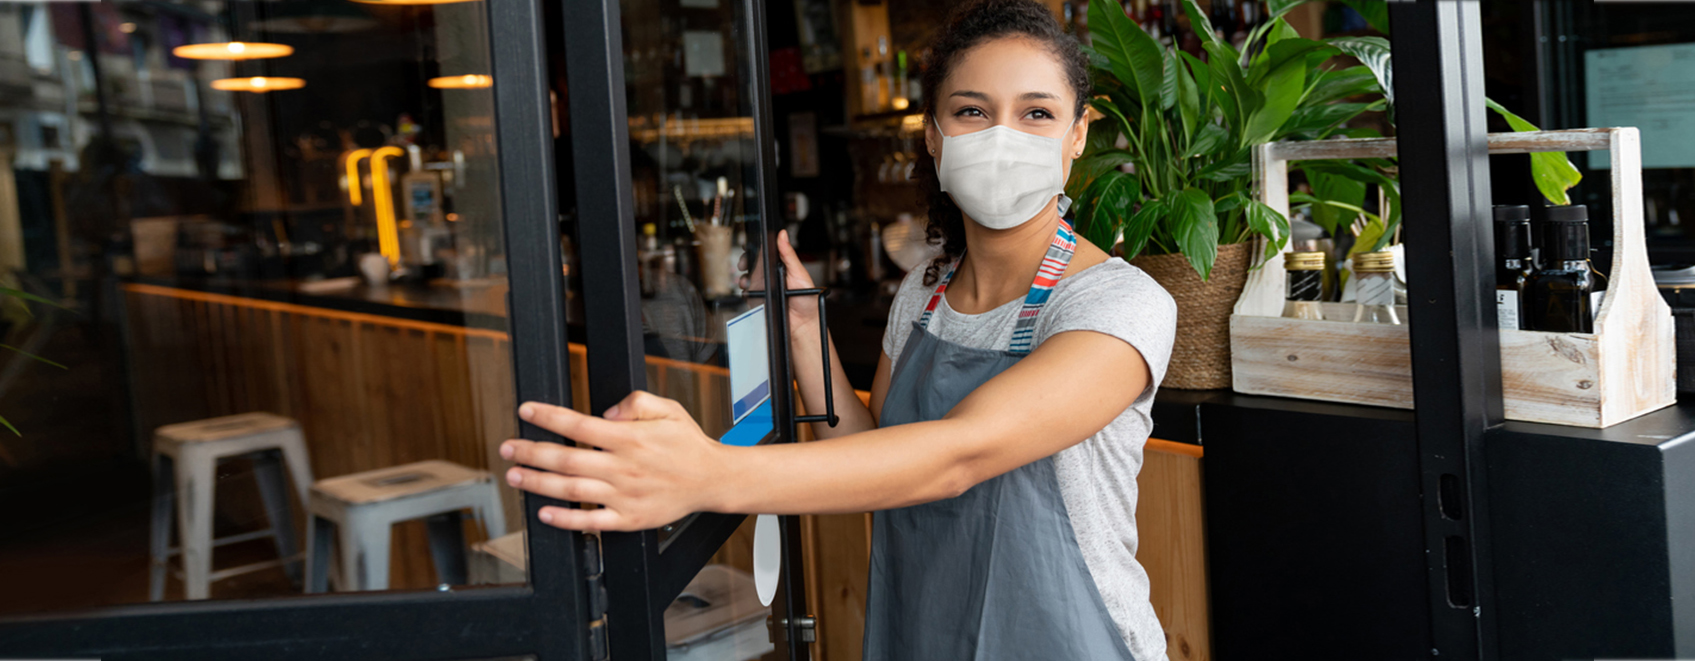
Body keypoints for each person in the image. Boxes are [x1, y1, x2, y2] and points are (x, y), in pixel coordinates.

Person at [500, 0, 1176, 658]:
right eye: (971, 110)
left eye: (1036, 113)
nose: (1003, 136)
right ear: (932, 135)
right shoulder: (926, 290)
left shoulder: (1116, 303)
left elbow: (955, 456)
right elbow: (877, 454)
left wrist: (707, 473)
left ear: (1077, 134)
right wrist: (802, 329)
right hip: (921, 629)